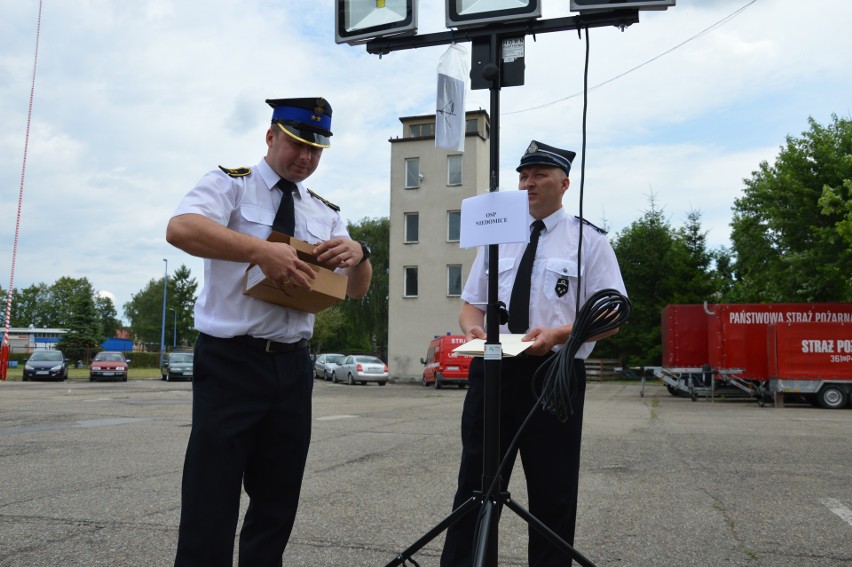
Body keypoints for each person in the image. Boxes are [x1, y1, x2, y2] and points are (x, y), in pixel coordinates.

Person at [166, 97, 372, 567]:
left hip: (292, 365)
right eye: (298, 145)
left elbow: (356, 291)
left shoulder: (324, 211)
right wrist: (259, 251)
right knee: (211, 496)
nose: (306, 158)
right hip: (230, 361)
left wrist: (361, 255)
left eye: (316, 151)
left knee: (278, 499)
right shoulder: (231, 185)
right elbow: (180, 229)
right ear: (271, 136)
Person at [440, 140, 626, 566]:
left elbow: (612, 315)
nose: (529, 183)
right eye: (524, 176)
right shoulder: (497, 235)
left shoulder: (588, 240)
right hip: (494, 373)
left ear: (564, 183)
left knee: (553, 493)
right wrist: (473, 327)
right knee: (475, 485)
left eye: (539, 175)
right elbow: (472, 302)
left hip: (553, 376)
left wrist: (559, 335)